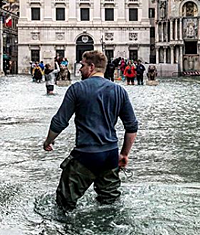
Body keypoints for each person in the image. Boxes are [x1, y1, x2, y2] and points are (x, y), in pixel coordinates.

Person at [43, 50, 138, 210]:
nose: (79, 69)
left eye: (82, 65)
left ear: (91, 67)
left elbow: (59, 121)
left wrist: (48, 141)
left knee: (64, 203)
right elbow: (132, 126)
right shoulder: (120, 91)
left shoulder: (77, 89)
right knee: (109, 204)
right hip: (110, 155)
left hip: (85, 155)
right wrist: (124, 154)